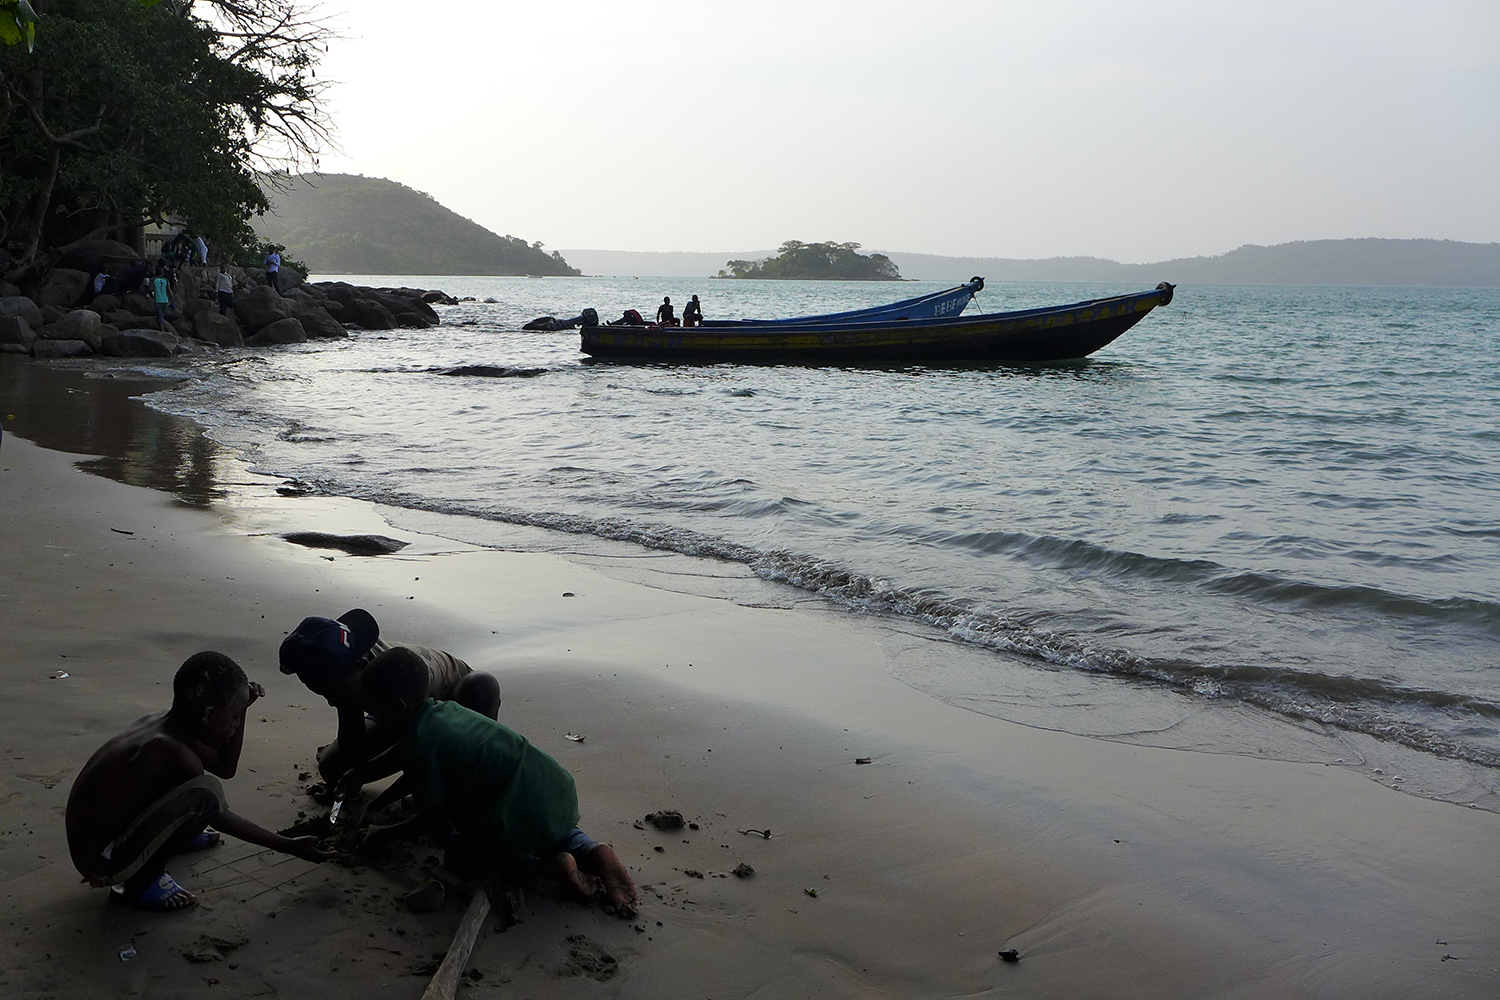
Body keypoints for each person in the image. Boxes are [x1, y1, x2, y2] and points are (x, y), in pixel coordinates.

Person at [358, 648, 638, 916]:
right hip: (552, 787)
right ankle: (590, 851)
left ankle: (545, 867)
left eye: (374, 711)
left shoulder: (419, 747)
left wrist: (383, 833)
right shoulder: (446, 710)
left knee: (462, 855)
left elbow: (434, 818)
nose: (374, 718)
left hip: (512, 811)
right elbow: (405, 754)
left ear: (397, 708)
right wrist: (361, 776)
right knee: (555, 831)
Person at [64, 652, 329, 911]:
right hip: (104, 862)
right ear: (208, 715)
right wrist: (287, 845)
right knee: (204, 796)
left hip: (99, 840)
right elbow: (217, 812)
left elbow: (225, 768)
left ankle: (172, 836)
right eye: (233, 717)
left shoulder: (165, 725)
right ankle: (141, 884)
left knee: (196, 791)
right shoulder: (174, 754)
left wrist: (243, 709)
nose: (236, 725)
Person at [278, 608, 501, 798]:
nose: (330, 700)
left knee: (481, 688)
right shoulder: (342, 673)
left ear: (362, 666)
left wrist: (365, 774)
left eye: (333, 693)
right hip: (389, 712)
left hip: (450, 699)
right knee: (332, 768)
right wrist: (348, 777)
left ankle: (472, 768)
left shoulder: (389, 681)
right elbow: (351, 746)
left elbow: (421, 743)